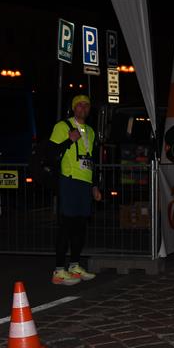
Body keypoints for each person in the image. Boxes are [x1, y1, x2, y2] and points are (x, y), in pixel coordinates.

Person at [49, 95, 102, 285]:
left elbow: (92, 160)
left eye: (86, 105)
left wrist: (94, 185)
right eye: (79, 105)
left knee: (80, 226)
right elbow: (51, 153)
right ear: (73, 108)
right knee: (66, 225)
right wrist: (69, 141)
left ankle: (74, 266)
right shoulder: (63, 126)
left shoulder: (91, 131)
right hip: (69, 180)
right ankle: (58, 270)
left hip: (85, 183)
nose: (83, 108)